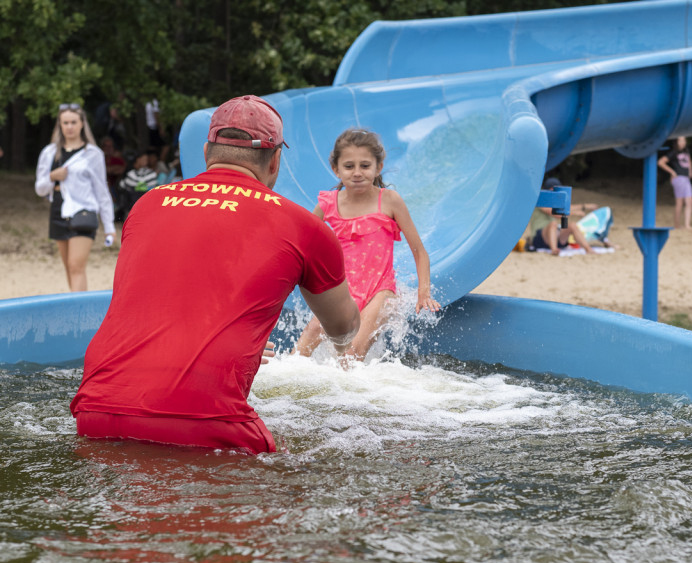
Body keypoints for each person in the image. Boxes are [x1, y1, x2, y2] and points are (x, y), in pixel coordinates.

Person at [71, 95, 361, 454]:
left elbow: (162, 299)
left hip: (96, 410)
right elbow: (342, 325)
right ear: (275, 161)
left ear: (208, 152)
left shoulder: (146, 204)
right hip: (208, 420)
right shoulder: (305, 226)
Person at [294, 127, 440, 361]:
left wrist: (424, 293)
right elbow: (301, 246)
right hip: (343, 292)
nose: (357, 173)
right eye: (349, 166)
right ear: (336, 169)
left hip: (381, 291)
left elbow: (419, 252)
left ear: (378, 167)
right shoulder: (328, 204)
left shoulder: (389, 200)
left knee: (352, 354)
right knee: (305, 342)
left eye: (365, 165)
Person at [34, 102, 116, 291]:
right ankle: (76, 308)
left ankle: (80, 316)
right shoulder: (49, 153)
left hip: (84, 212)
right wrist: (52, 177)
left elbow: (101, 190)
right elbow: (40, 188)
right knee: (68, 267)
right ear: (60, 125)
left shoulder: (92, 154)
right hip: (58, 211)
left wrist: (109, 226)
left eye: (73, 122)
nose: (69, 127)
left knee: (76, 266)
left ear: (81, 124)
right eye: (65, 123)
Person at [524, 177, 600, 255]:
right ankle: (554, 250)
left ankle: (588, 249)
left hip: (553, 235)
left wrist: (585, 206)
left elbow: (566, 207)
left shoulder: (553, 201)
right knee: (553, 224)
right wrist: (575, 213)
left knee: (572, 225)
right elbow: (554, 212)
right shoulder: (540, 198)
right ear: (551, 189)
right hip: (539, 237)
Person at [657, 137, 692, 231]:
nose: (683, 142)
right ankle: (677, 224)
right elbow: (661, 162)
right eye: (680, 140)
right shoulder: (673, 152)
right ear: (676, 142)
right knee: (680, 201)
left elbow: (689, 161)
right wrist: (672, 172)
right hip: (679, 178)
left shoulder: (687, 152)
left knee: (689, 201)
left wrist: (690, 171)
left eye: (684, 140)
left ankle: (687, 225)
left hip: (686, 178)